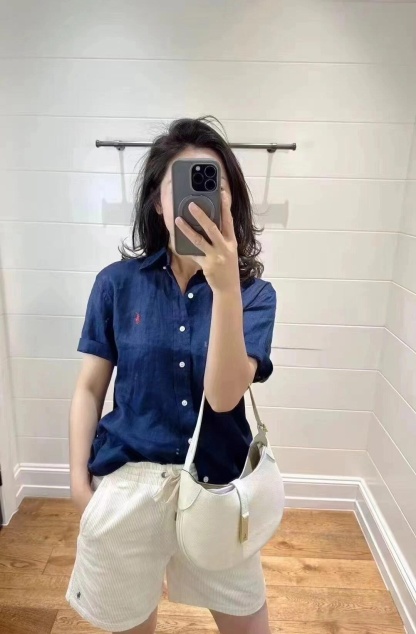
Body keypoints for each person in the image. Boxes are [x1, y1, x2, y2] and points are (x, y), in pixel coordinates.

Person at [66, 116, 277, 634]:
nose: (200, 196)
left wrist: (224, 289)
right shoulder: (116, 284)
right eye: (182, 183)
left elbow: (224, 397)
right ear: (159, 203)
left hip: (218, 485)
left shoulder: (253, 295)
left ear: (231, 200)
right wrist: (77, 485)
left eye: (214, 183)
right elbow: (89, 388)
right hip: (128, 487)